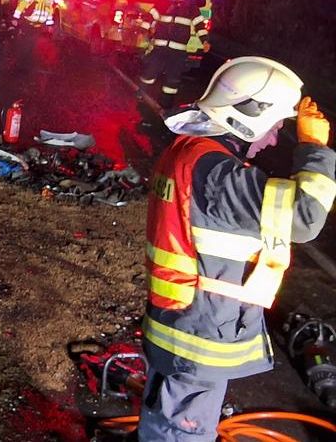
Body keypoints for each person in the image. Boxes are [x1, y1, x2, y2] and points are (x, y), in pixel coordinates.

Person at [139, 56, 335, 441]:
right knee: (182, 433)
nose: (276, 139)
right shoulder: (215, 174)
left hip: (181, 327)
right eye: (276, 126)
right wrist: (314, 148)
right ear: (250, 116)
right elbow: (305, 216)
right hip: (197, 338)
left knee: (165, 421)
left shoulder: (189, 152)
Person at [139, 0, 210, 109]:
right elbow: (150, 17)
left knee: (172, 80)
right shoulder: (163, 3)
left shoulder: (192, 8)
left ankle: (165, 105)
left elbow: (200, 25)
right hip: (160, 47)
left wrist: (205, 41)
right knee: (150, 72)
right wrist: (145, 30)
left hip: (178, 52)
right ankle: (141, 93)